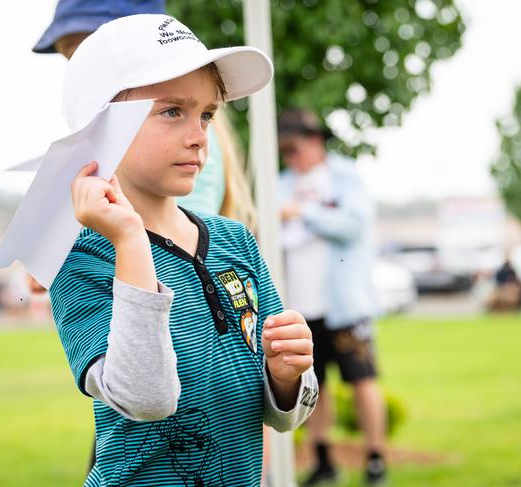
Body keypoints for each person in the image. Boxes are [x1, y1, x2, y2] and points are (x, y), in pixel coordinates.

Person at [46, 14, 318, 485]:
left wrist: (287, 372)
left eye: (207, 114)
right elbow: (146, 398)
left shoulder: (236, 241)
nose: (199, 136)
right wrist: (130, 239)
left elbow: (285, 417)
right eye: (173, 111)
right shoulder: (82, 257)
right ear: (101, 124)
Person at [278, 109, 387, 486]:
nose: (291, 156)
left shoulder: (345, 177)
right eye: (285, 150)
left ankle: (375, 460)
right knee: (314, 387)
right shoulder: (282, 182)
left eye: (295, 147)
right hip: (300, 305)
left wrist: (304, 213)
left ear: (315, 141)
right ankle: (323, 460)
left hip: (345, 304)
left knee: (363, 379)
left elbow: (353, 225)